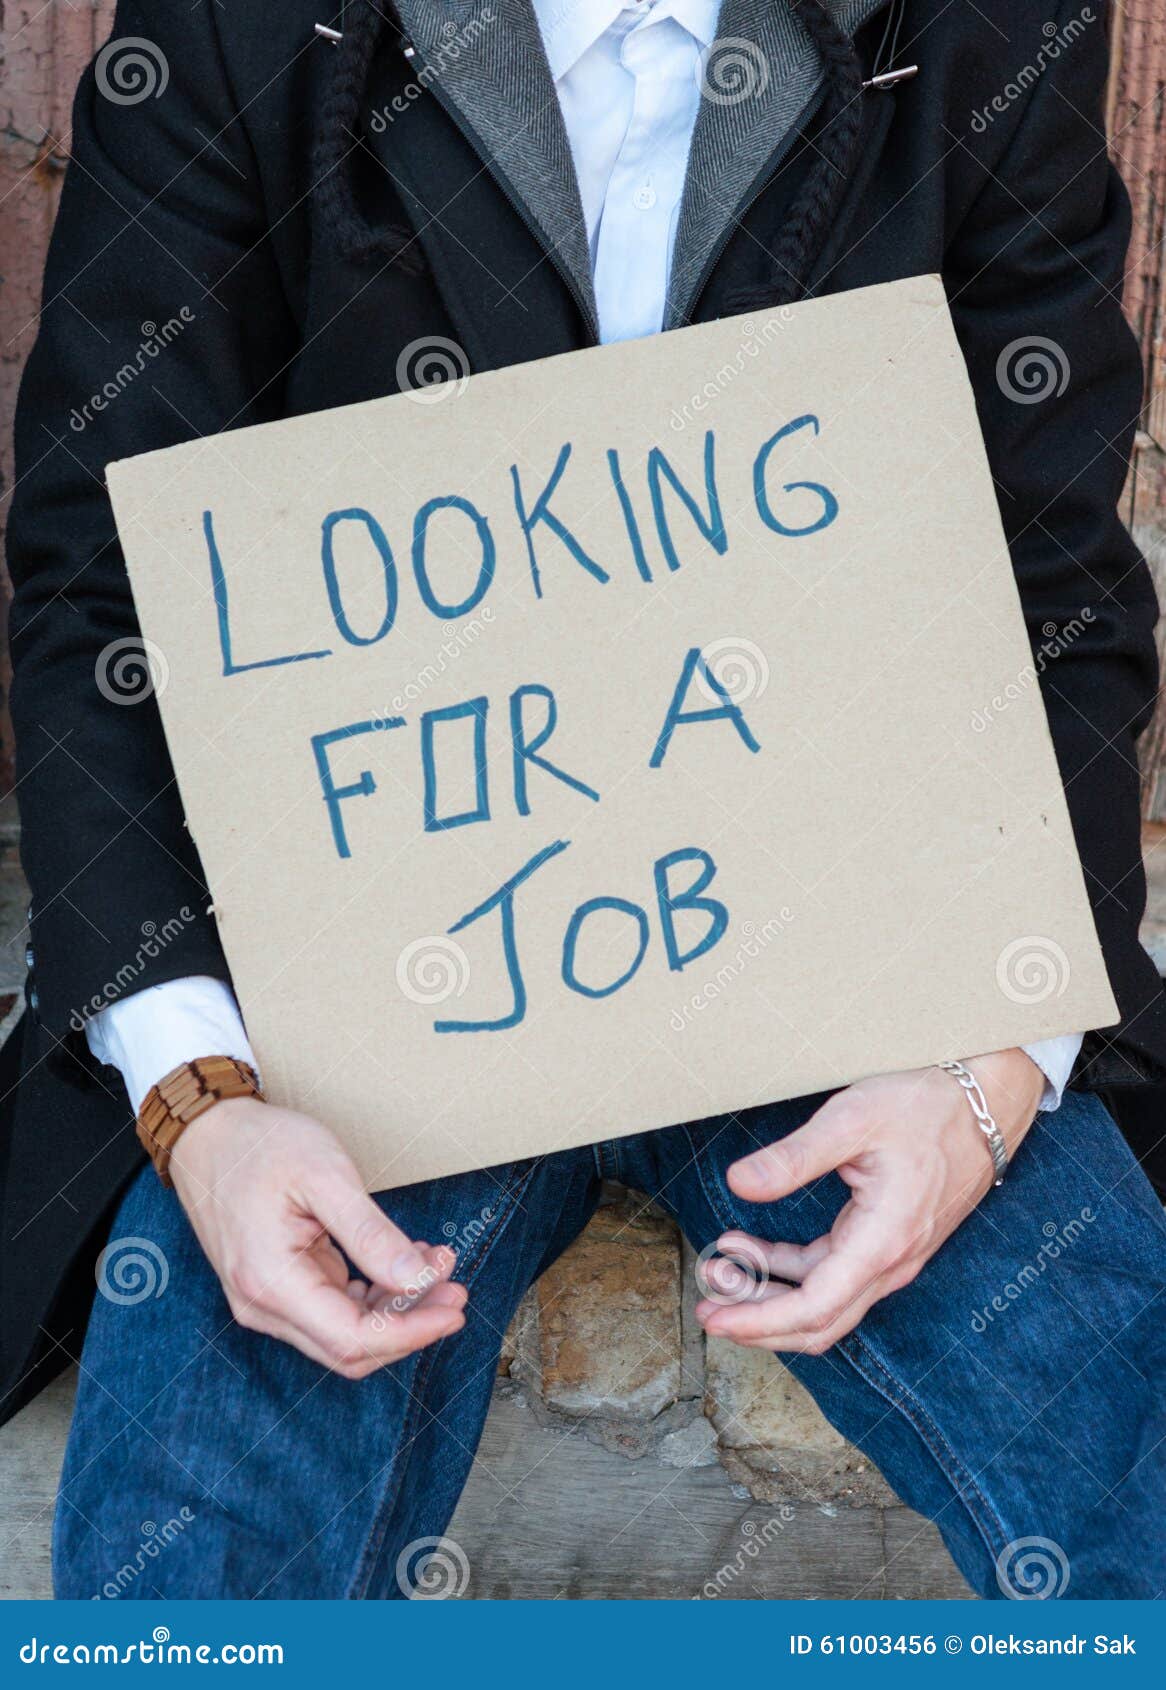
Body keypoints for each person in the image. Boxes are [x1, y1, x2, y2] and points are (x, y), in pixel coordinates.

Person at [4, 0, 1166, 1601]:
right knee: (202, 1536)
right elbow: (98, 575)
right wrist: (197, 1093)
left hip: (850, 920)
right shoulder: (238, 22)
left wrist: (986, 1071)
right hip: (368, 943)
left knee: (1113, 1401)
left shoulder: (983, 24)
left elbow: (1059, 588)